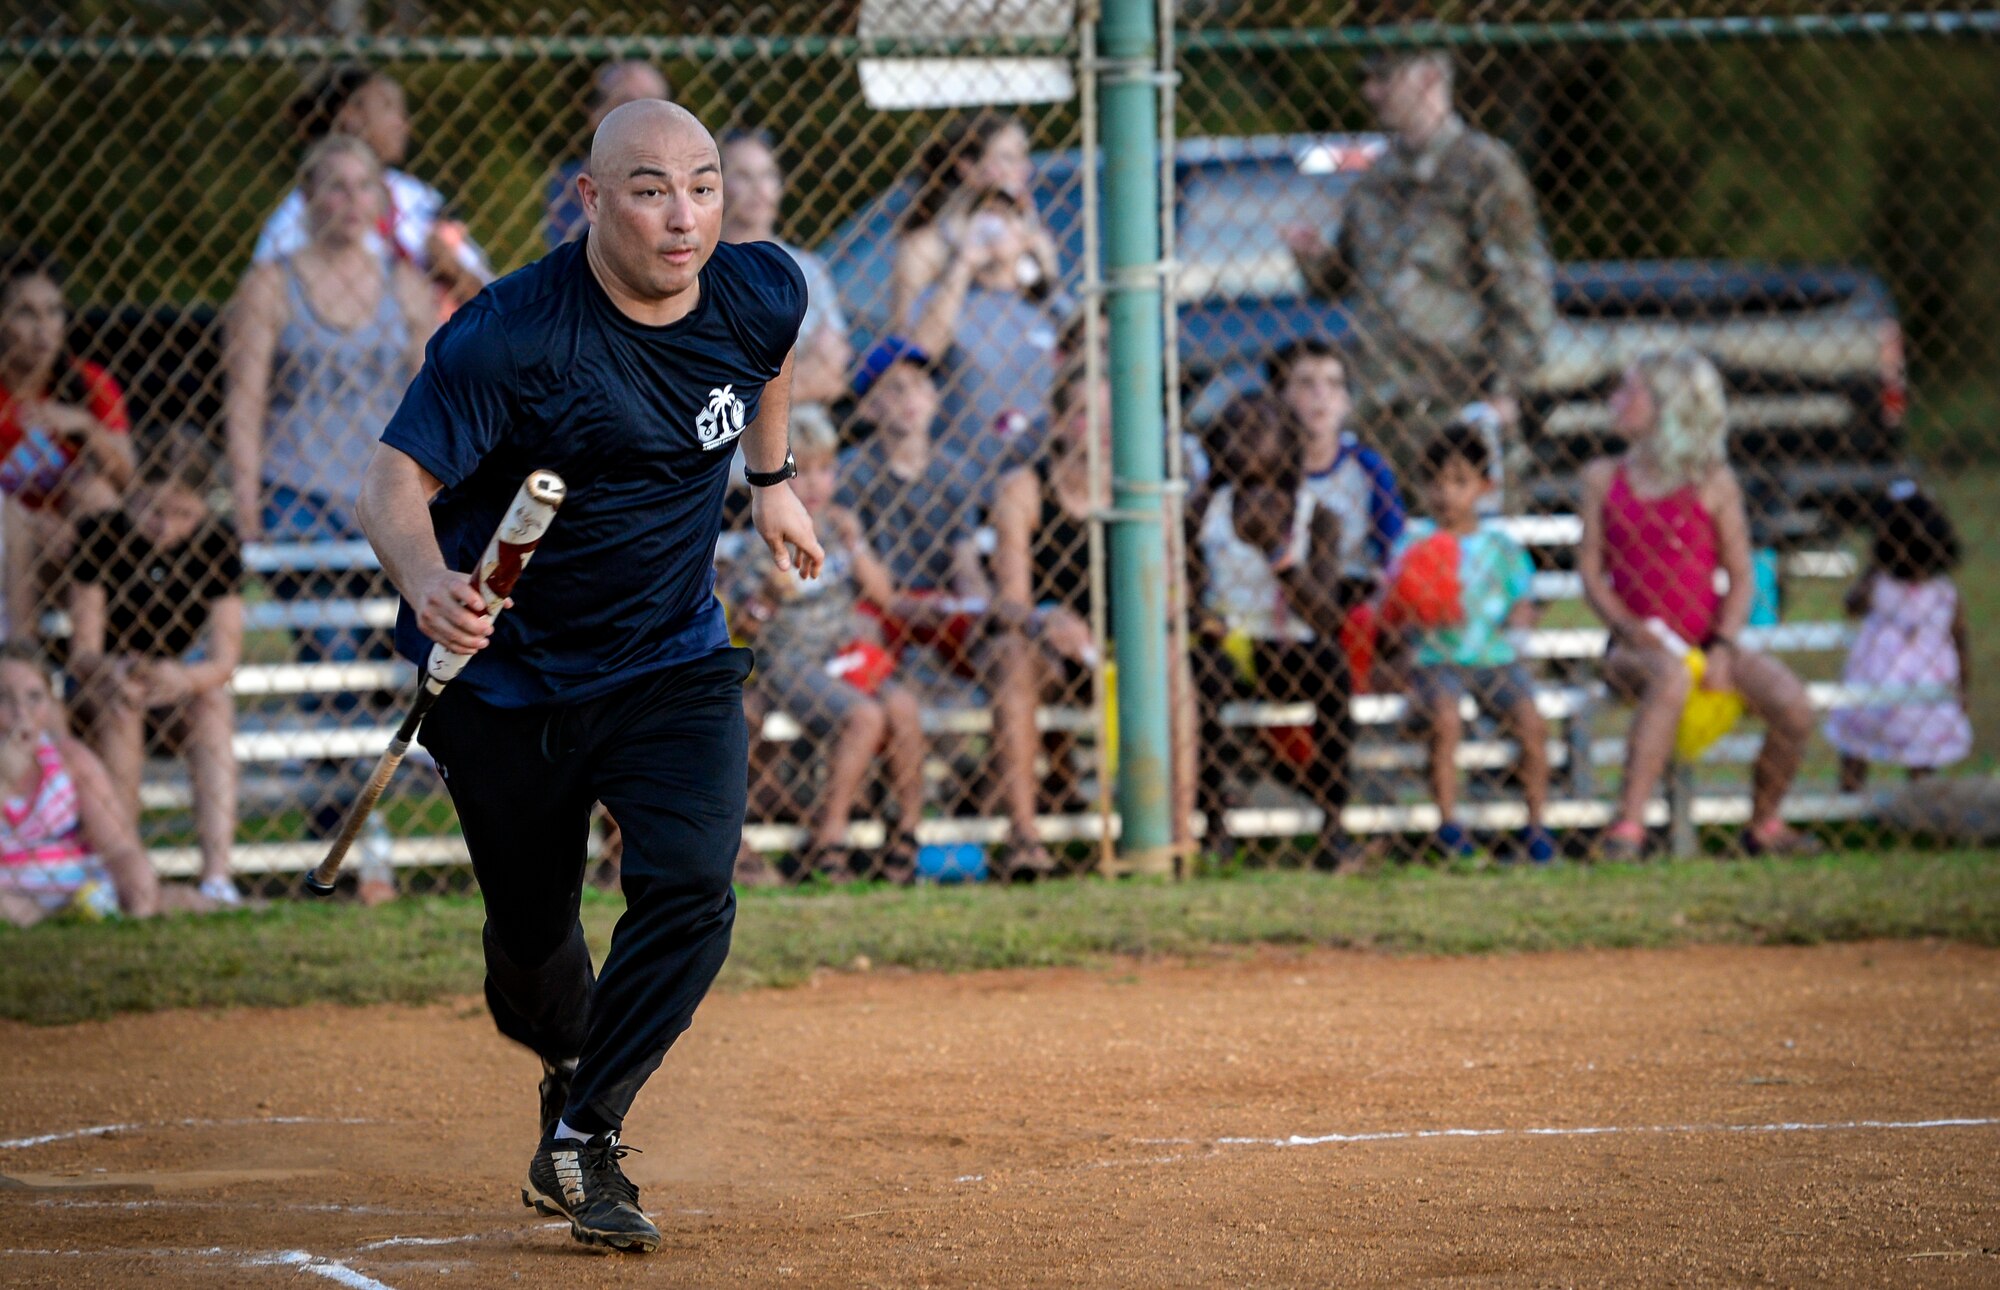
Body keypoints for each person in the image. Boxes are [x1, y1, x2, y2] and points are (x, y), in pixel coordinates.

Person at [356, 100, 818, 1254]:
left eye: (704, 186)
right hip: (507, 678)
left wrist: (774, 482)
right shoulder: (509, 334)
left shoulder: (760, 287)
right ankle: (567, 1059)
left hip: (670, 657)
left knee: (692, 887)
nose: (685, 217)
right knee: (533, 947)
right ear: (594, 198)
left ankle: (584, 1131)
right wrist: (425, 585)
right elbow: (392, 485)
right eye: (653, 189)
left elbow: (765, 365)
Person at [1577, 350, 1817, 859]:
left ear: (1668, 405)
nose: (1614, 401)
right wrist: (1624, 625)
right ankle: (1629, 826)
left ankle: (1763, 824)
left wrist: (1725, 647)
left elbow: (1742, 574)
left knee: (1792, 703)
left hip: (1707, 643)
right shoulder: (1602, 477)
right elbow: (1591, 573)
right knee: (1669, 676)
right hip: (1632, 648)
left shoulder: (1712, 481)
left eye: (1629, 391)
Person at [1281, 48, 1553, 473]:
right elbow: (1342, 278)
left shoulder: (1482, 170)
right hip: (1379, 406)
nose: (1372, 92)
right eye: (1367, 80)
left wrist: (1504, 389)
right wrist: (1314, 259)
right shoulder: (1378, 178)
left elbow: (1524, 290)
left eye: (1385, 78)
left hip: (1456, 403)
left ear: (1428, 77)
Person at [226, 135, 434, 683]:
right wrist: (247, 501)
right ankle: (341, 756)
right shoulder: (270, 286)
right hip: (298, 487)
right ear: (308, 196)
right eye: (336, 186)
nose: (352, 199)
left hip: (383, 486)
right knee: (336, 644)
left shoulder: (408, 286)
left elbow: (432, 404)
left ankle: (369, 755)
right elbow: (244, 402)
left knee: (392, 638)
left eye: (365, 186)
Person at [726, 409, 931, 882]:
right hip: (790, 663)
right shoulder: (766, 536)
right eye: (802, 472)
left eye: (826, 469)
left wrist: (856, 546)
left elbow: (884, 597)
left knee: (901, 706)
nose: (816, 484)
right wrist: (768, 597)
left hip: (841, 655)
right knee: (864, 717)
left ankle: (907, 831)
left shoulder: (840, 529)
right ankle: (829, 837)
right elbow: (744, 624)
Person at [68, 447, 245, 906]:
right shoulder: (101, 533)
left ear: (205, 509)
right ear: (130, 498)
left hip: (171, 679)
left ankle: (216, 877)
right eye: (151, 510)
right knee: (122, 705)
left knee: (213, 702)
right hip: (104, 681)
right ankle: (125, 872)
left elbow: (225, 659)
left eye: (184, 514)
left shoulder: (216, 542)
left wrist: (184, 680)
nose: (165, 528)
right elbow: (82, 652)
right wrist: (114, 670)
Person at [1187, 396, 1356, 870]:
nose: (1250, 437)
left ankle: (1332, 820)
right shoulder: (1205, 511)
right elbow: (1190, 586)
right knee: (1201, 675)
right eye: (1238, 427)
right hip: (1228, 645)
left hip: (1287, 645)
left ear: (1288, 443)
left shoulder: (1316, 516)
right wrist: (1202, 618)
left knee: (1330, 668)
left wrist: (1279, 556)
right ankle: (1214, 821)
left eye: (1263, 426)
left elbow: (1325, 618)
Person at [1388, 424, 1552, 863]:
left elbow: (1524, 599)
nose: (1446, 494)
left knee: (1532, 721)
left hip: (1494, 657)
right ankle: (1449, 825)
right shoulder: (1414, 541)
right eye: (1435, 482)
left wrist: (1521, 619)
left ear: (1484, 487)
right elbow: (1393, 603)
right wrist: (1414, 604)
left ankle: (1536, 825)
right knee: (1446, 718)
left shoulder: (1499, 545)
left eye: (1459, 482)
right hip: (1436, 658)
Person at [984, 370, 1113, 880]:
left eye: (1111, 416)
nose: (1102, 428)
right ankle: (1024, 836)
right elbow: (1011, 601)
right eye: (1086, 414)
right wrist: (1047, 618)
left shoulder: (1136, 487)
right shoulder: (1026, 487)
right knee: (1012, 656)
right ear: (1059, 423)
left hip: (1116, 646)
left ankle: (1172, 835)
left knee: (1172, 655)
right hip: (1050, 650)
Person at [254, 64, 492, 313]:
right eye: (389, 107)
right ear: (350, 116)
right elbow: (267, 300)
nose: (404, 124)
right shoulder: (305, 209)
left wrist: (451, 269)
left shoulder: (420, 198)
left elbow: (493, 298)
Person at [0, 643, 185, 927]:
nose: (21, 713)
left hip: (81, 892)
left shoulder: (70, 760)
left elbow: (120, 848)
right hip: (9, 896)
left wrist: (140, 902)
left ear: (51, 705)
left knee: (154, 889)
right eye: (3, 698)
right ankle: (44, 921)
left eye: (34, 697)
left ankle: (69, 917)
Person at [0, 245, 134, 635]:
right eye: (26, 313)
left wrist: (87, 429)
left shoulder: (89, 383)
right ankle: (20, 657)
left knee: (96, 494)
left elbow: (131, 482)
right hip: (9, 546)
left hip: (71, 554)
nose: (44, 328)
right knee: (12, 522)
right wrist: (32, 520)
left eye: (54, 311)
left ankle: (90, 655)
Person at [1825, 481, 1972, 791]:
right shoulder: (1945, 591)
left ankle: (1850, 792)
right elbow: (1961, 642)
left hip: (1870, 693)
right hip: (1927, 696)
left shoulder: (1878, 582)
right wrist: (1964, 688)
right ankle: (1923, 797)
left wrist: (1875, 566)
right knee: (1923, 754)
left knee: (1855, 749)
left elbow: (1851, 605)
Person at [906, 183, 1061, 470]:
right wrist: (964, 263)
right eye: (984, 215)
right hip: (962, 468)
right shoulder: (941, 298)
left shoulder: (1048, 306)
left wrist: (1044, 260)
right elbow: (924, 349)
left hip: (1036, 467)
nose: (995, 225)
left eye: (1007, 215)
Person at [889, 111, 1059, 333]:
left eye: (1024, 156)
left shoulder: (1034, 239)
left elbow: (1054, 320)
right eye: (1008, 158)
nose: (1024, 169)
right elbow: (903, 339)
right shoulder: (926, 248)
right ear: (967, 167)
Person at [720, 128, 852, 409]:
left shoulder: (807, 268)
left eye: (767, 175)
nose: (759, 188)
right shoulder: (700, 266)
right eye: (743, 176)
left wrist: (742, 394)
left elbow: (830, 376)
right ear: (716, 184)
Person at [546, 60, 673, 248]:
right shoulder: (570, 183)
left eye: (654, 102)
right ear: (596, 114)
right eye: (626, 102)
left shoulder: (690, 176)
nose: (643, 113)